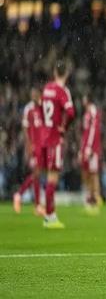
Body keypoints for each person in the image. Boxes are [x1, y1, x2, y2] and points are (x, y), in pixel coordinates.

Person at [40, 61, 75, 228]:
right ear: (66, 74)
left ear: (55, 72)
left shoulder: (47, 88)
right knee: (52, 178)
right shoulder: (62, 91)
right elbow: (71, 112)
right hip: (55, 139)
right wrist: (63, 128)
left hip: (44, 137)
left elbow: (42, 109)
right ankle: (49, 216)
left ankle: (48, 212)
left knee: (48, 176)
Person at [13, 86, 45, 216]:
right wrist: (28, 146)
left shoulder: (42, 108)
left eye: (35, 94)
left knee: (37, 175)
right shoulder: (28, 109)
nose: (34, 96)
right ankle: (19, 195)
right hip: (34, 146)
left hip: (42, 146)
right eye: (32, 94)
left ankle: (37, 205)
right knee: (36, 173)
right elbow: (25, 130)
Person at [80, 93, 102, 214]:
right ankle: (90, 197)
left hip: (92, 149)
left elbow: (93, 131)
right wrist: (82, 149)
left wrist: (89, 148)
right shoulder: (87, 113)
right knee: (86, 173)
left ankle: (95, 198)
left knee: (93, 173)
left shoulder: (93, 112)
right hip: (86, 148)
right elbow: (85, 132)